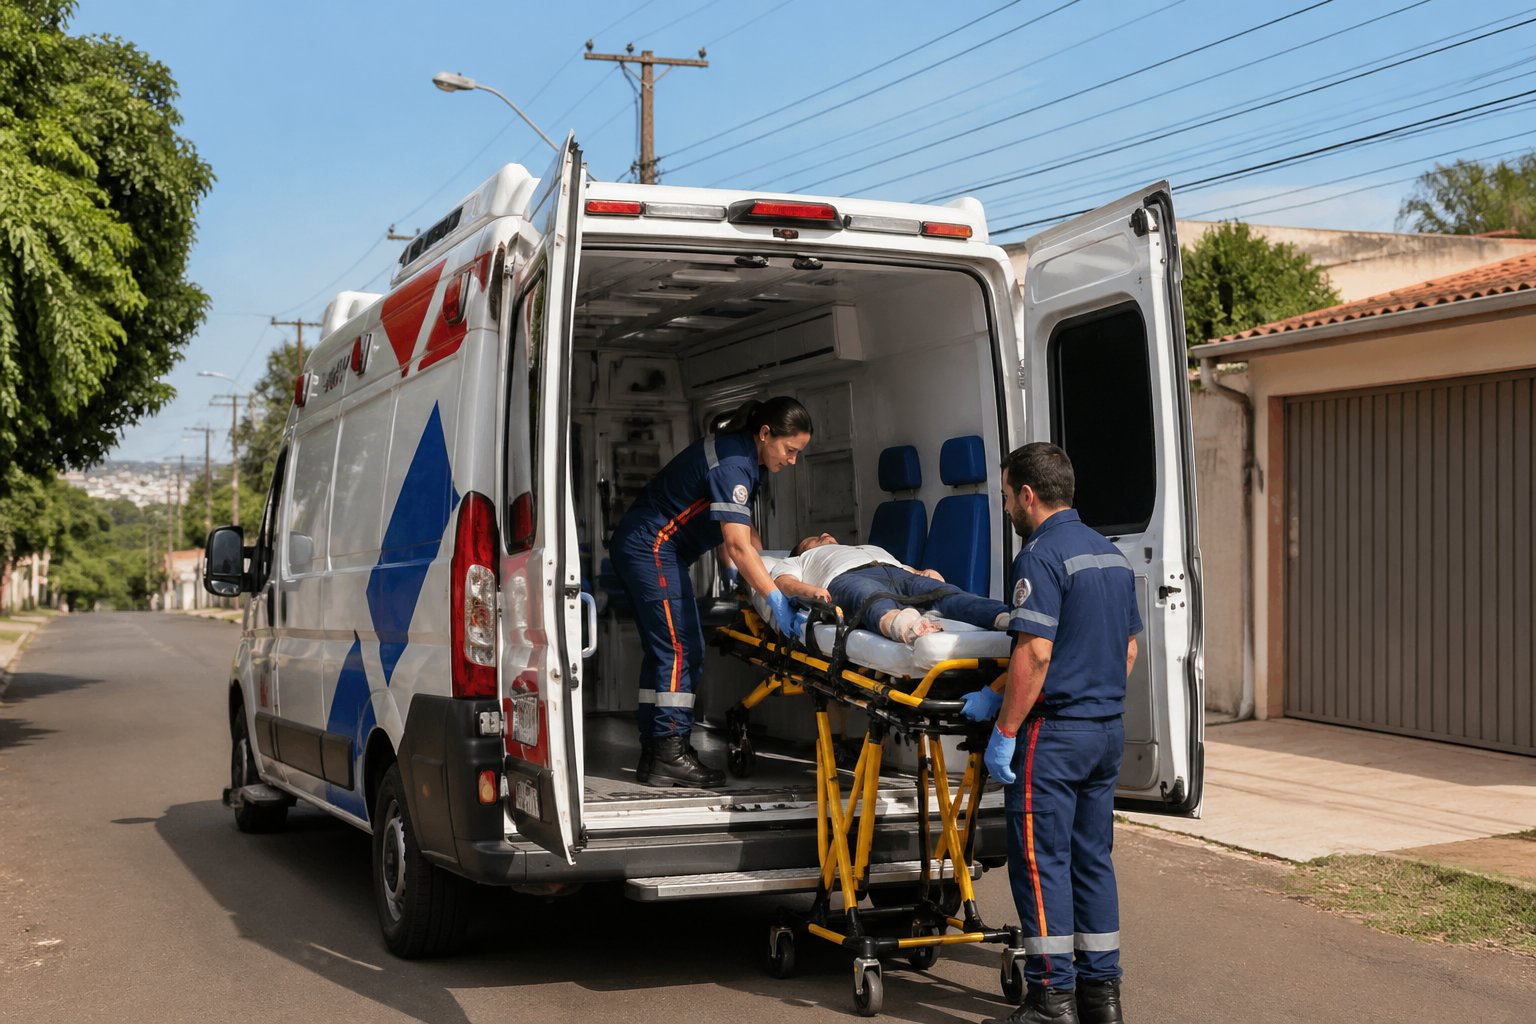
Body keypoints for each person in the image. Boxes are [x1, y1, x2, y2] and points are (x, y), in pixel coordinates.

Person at [962, 443, 1141, 1024]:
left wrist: (1006, 727)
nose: (1008, 506)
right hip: (1105, 731)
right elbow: (1128, 649)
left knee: (1040, 864)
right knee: (1093, 860)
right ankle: (1101, 998)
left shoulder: (1040, 555)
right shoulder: (1109, 554)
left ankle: (1050, 1001)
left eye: (1008, 494)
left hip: (1054, 736)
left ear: (1028, 495)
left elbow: (1035, 653)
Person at [610, 396, 812, 788]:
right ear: (765, 434)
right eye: (789, 450)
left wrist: (756, 570)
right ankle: (669, 751)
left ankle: (656, 750)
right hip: (651, 546)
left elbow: (742, 534)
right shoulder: (736, 465)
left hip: (652, 548)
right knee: (679, 648)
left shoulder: (745, 457)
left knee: (668, 648)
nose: (792, 461)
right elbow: (736, 545)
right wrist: (773, 598)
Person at [770, 533, 1011, 641]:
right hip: (844, 578)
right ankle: (906, 627)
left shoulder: (865, 547)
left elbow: (905, 569)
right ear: (804, 550)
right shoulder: (800, 560)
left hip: (894, 571)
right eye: (813, 538)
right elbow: (783, 582)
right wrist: (810, 592)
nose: (824, 534)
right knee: (871, 598)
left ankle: (1003, 617)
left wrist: (922, 573)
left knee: (946, 594)